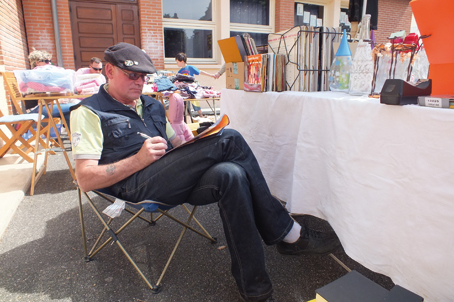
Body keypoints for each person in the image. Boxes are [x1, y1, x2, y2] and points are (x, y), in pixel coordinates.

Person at [70, 42, 340, 302]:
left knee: (231, 174)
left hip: (170, 175)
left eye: (144, 76)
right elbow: (85, 179)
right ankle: (287, 232)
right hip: (133, 186)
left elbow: (176, 145)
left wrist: (198, 145)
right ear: (109, 71)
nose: (140, 82)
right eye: (132, 75)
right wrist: (138, 160)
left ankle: (256, 290)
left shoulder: (151, 104)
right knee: (230, 139)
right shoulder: (90, 111)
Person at [27, 49, 77, 129]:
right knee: (77, 106)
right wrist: (55, 101)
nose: (49, 63)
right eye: (46, 61)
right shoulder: (33, 77)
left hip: (49, 107)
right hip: (37, 109)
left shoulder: (45, 76)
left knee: (72, 114)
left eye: (50, 61)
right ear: (37, 63)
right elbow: (36, 99)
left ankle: (75, 139)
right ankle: (76, 139)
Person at [175, 52, 214, 118]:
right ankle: (185, 117)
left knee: (195, 100)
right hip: (184, 90)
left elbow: (200, 72)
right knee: (183, 103)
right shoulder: (179, 71)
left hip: (191, 88)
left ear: (182, 61)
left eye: (177, 62)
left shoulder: (190, 67)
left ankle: (200, 115)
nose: (176, 64)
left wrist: (211, 75)